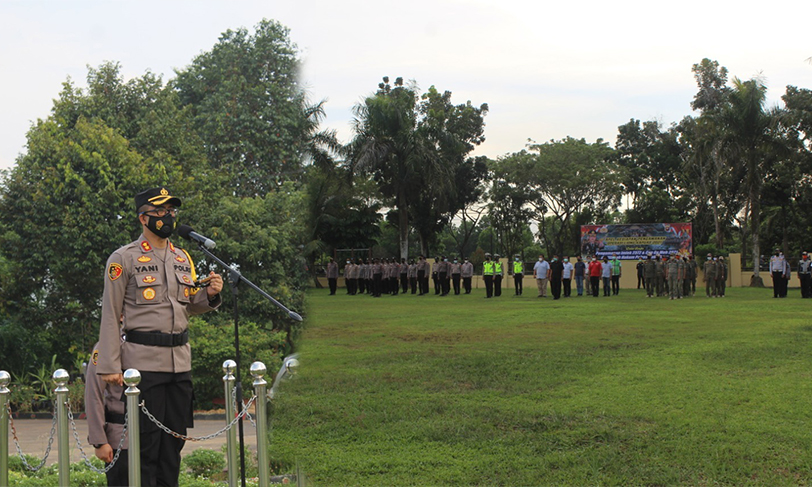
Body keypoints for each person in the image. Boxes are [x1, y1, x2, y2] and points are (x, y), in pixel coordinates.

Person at [96, 187, 223, 487]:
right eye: (161, 212)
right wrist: (111, 366)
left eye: (172, 211)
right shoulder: (123, 259)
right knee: (146, 447)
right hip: (143, 367)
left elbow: (189, 304)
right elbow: (111, 314)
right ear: (143, 218)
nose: (168, 217)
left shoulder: (182, 258)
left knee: (172, 447)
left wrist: (210, 295)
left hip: (179, 367)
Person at [86, 341, 128, 487]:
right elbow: (94, 393)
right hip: (122, 439)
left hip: (153, 437)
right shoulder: (107, 346)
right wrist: (99, 441)